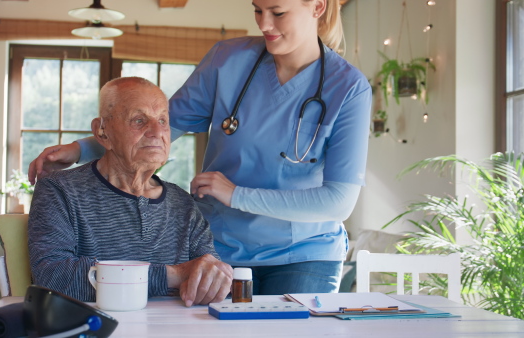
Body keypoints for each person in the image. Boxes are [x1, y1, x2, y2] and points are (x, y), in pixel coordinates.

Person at [28, 0, 371, 295]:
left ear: (318, 6)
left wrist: (236, 194)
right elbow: (159, 126)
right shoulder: (228, 60)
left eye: (278, 12)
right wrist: (79, 150)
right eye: (257, 10)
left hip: (304, 254)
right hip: (222, 248)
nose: (264, 24)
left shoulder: (349, 88)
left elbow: (339, 201)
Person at [28, 77, 233, 307]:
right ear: (102, 132)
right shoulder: (59, 190)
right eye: (139, 120)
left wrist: (214, 279)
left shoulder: (182, 203)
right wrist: (174, 275)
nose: (157, 132)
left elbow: (209, 276)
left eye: (163, 120)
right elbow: (53, 278)